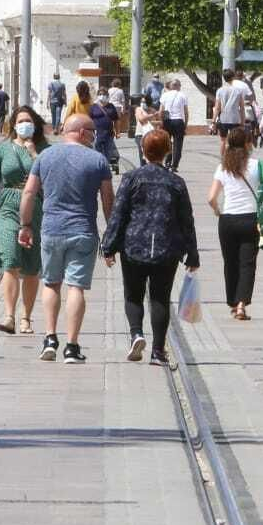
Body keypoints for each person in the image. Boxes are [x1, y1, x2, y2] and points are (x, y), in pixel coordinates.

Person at [17, 113, 115, 364]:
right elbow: (107, 201)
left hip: (51, 230)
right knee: (76, 287)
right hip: (83, 231)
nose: (95, 136)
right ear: (81, 132)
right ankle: (72, 346)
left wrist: (25, 225)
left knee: (50, 283)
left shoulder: (45, 157)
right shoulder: (98, 160)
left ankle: (50, 339)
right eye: (92, 131)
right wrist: (112, 235)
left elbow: (29, 192)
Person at [103, 128, 200, 366]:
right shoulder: (176, 182)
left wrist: (108, 246)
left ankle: (136, 334)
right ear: (168, 151)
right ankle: (158, 351)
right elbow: (187, 219)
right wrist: (192, 253)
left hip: (133, 246)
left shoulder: (131, 178)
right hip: (167, 248)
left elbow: (119, 213)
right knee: (160, 298)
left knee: (133, 295)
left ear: (143, 151)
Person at [0, 105, 47, 335]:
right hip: (7, 206)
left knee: (31, 265)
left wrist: (34, 153)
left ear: (35, 124)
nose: (25, 124)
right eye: (21, 120)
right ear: (14, 125)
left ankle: (26, 317)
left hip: (36, 208)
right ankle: (9, 316)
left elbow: (51, 178)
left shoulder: (45, 149)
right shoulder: (3, 149)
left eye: (29, 120)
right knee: (9, 258)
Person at [207, 127, 263, 320]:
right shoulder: (258, 165)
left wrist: (217, 211)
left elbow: (211, 198)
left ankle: (233, 301)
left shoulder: (223, 167)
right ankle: (241, 305)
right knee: (247, 263)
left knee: (230, 263)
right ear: (248, 144)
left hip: (228, 220)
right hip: (250, 219)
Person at [158, 78, 189, 170]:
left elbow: (161, 111)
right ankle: (174, 165)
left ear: (171, 86)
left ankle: (167, 162)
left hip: (167, 121)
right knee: (178, 144)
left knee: (167, 142)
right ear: (178, 86)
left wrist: (161, 122)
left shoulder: (165, 95)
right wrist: (185, 124)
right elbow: (186, 112)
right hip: (179, 121)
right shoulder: (183, 96)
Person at [90, 90, 121, 174]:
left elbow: (116, 120)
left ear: (107, 95)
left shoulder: (111, 106)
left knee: (108, 151)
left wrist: (118, 132)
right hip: (97, 134)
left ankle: (105, 168)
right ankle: (99, 167)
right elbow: (89, 120)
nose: (102, 96)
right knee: (97, 151)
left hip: (109, 133)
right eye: (100, 94)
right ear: (97, 95)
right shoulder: (93, 107)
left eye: (104, 94)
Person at [214, 68, 246, 139]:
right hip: (235, 119)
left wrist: (213, 121)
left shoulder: (220, 90)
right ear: (233, 77)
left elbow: (217, 107)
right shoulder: (238, 91)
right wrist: (243, 122)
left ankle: (223, 150)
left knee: (223, 140)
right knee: (235, 140)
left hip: (223, 119)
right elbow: (242, 108)